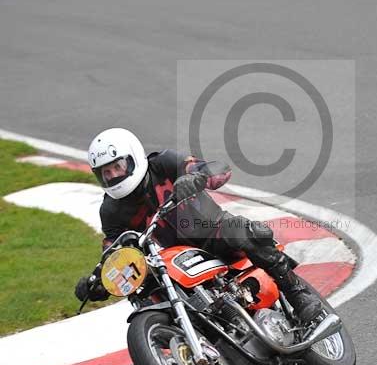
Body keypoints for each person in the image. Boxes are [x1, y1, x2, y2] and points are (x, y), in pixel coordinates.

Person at [75, 128, 321, 323]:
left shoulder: (164, 163)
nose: (112, 176)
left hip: (211, 232)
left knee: (240, 229)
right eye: (105, 173)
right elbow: (114, 250)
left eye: (117, 167)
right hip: (172, 259)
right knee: (146, 290)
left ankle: (295, 291)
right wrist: (100, 282)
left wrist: (195, 177)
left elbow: (218, 169)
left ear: (134, 158)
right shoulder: (111, 210)